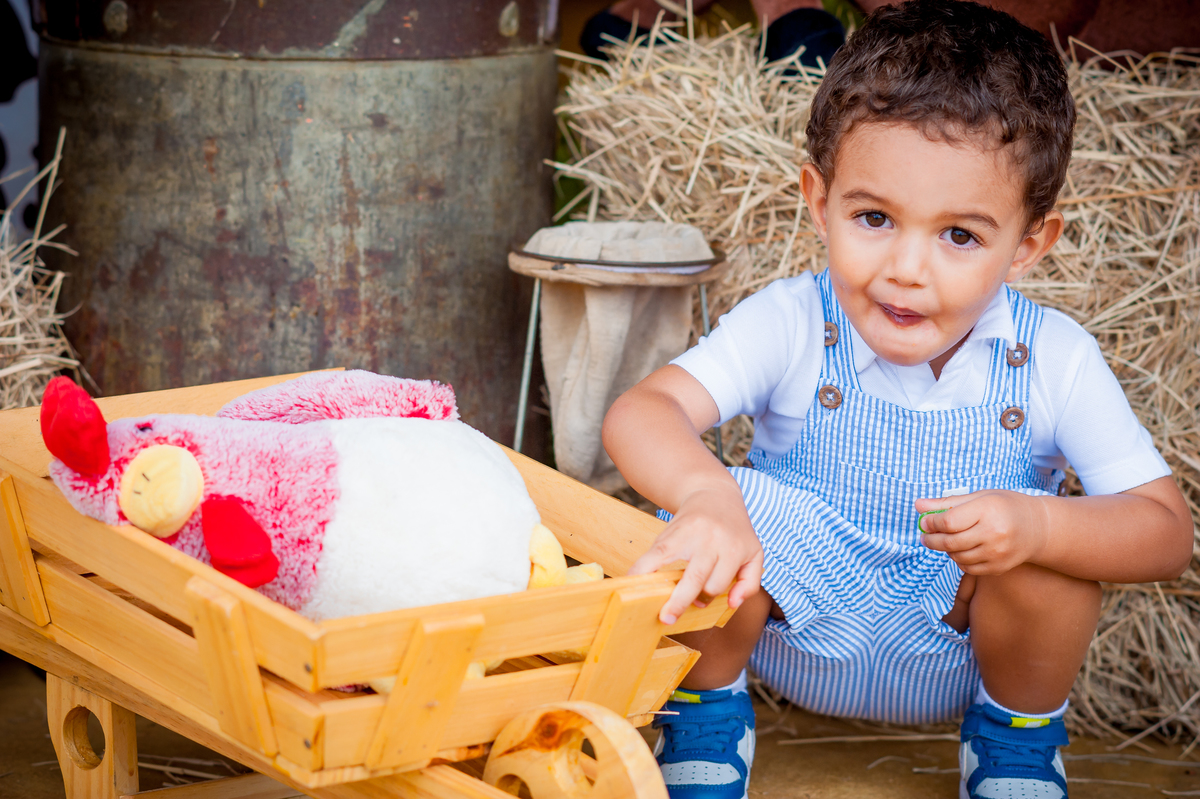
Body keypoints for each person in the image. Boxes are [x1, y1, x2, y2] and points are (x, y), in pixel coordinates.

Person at [601, 2, 1195, 797]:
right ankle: (703, 714)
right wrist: (708, 497)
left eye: (960, 235)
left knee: (1056, 559)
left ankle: (1015, 742)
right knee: (704, 509)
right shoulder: (795, 319)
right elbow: (642, 412)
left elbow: (1165, 532)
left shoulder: (1054, 357)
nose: (907, 270)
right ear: (820, 201)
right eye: (875, 217)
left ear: (1028, 244)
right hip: (795, 629)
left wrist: (1040, 524)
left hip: (955, 642)